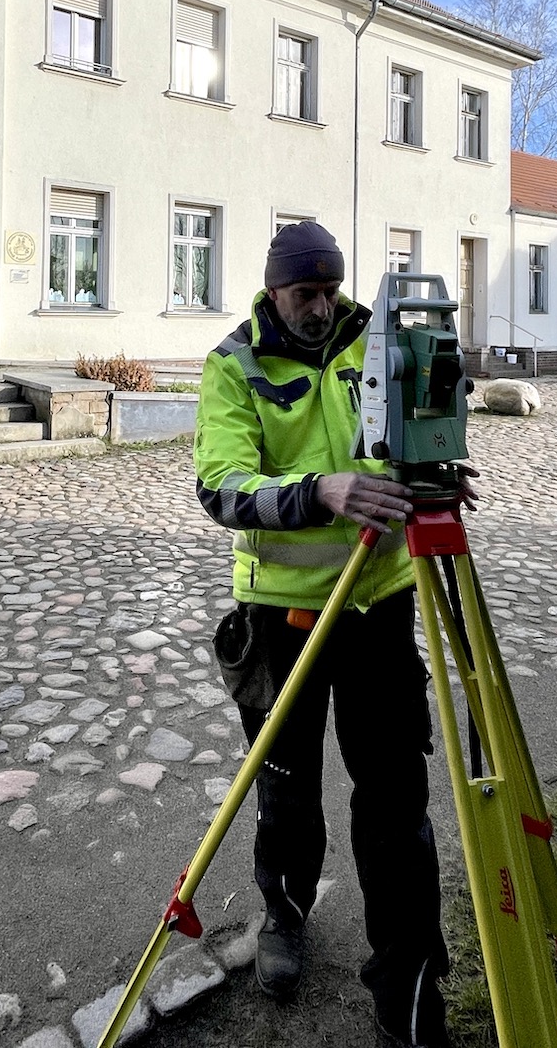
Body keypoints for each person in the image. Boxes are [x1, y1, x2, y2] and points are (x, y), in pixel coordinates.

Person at [194, 220, 452, 1048]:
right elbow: (222, 488)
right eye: (304, 292)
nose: (319, 306)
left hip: (380, 605)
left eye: (330, 290)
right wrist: (322, 491)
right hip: (282, 617)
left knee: (396, 797)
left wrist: (435, 475)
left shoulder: (371, 343)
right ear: (273, 289)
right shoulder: (235, 365)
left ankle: (407, 984)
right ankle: (285, 912)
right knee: (286, 786)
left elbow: (406, 433)